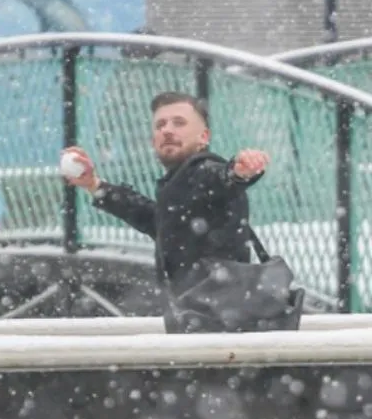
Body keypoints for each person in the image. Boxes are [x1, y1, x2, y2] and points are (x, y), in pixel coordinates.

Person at [62, 91, 278, 330]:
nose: (167, 130)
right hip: (206, 325)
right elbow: (156, 220)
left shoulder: (202, 171)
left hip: (219, 332)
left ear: (204, 136)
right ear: (153, 140)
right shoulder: (178, 185)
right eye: (160, 125)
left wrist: (239, 171)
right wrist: (95, 185)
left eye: (179, 123)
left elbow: (221, 177)